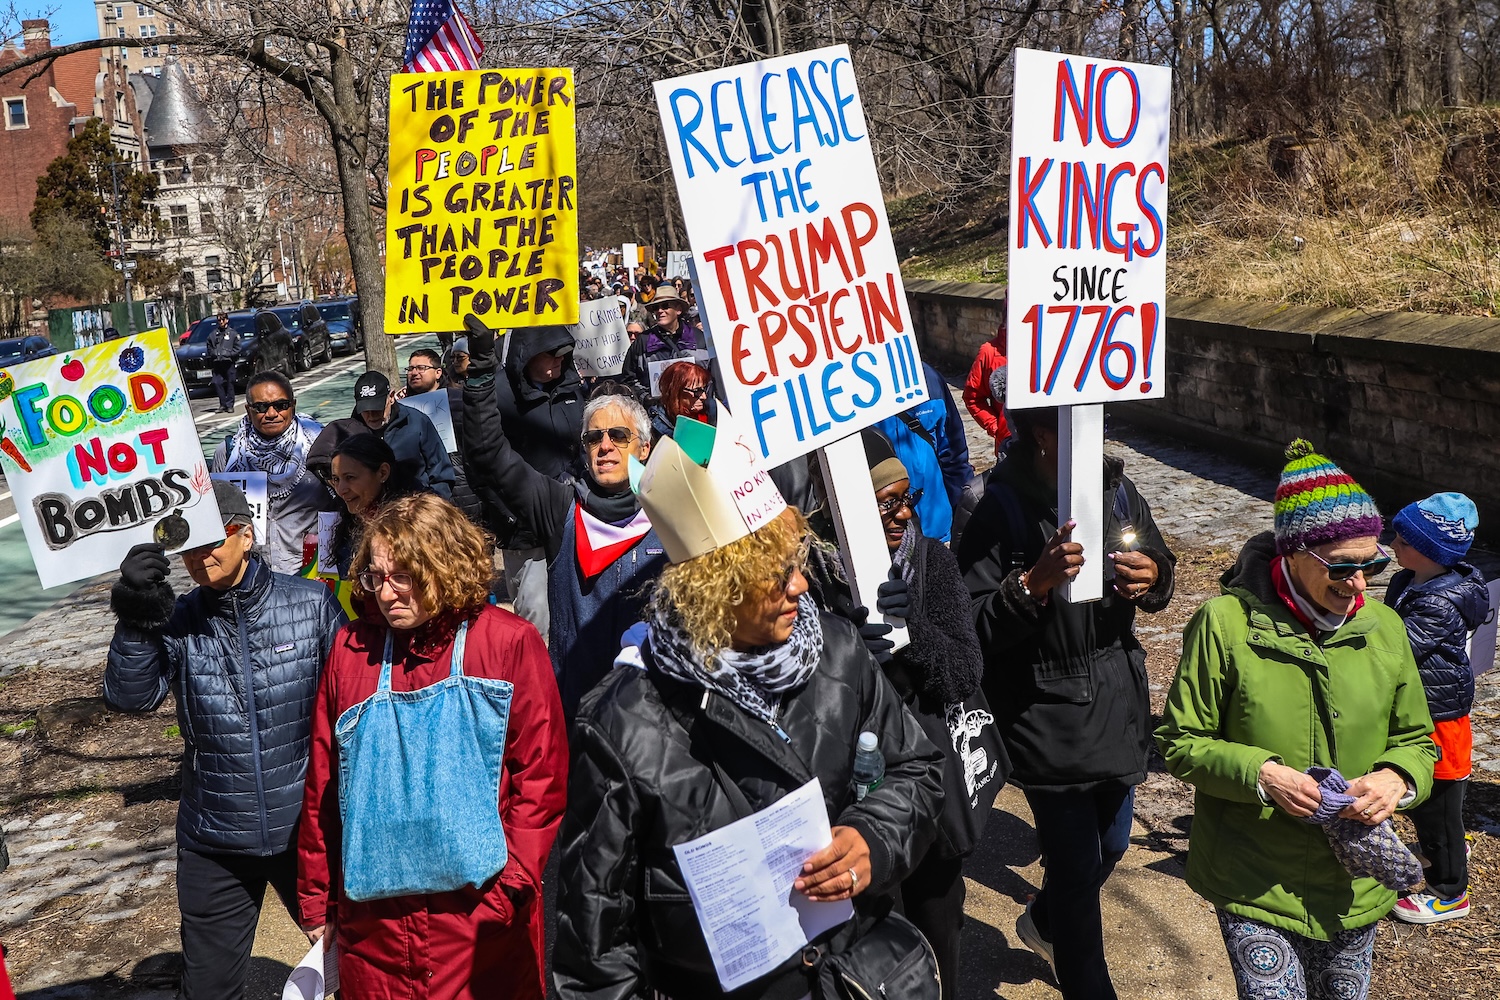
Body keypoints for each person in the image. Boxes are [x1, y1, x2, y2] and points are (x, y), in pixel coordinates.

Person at [554, 422, 945, 999]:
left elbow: (919, 770)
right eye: (775, 572)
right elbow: (595, 952)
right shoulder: (624, 722)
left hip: (855, 978)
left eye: (797, 561)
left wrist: (873, 839)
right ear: (716, 587)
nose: (800, 586)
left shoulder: (837, 650)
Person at [1156, 440, 1438, 1000]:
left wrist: (1397, 779)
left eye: (1373, 564)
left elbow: (1418, 740)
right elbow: (1180, 742)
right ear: (1293, 552)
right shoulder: (1224, 624)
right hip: (1253, 879)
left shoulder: (1384, 628)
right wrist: (1263, 774)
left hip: (1353, 884)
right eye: (1343, 567)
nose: (1360, 584)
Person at [299, 493, 567, 998]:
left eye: (404, 575)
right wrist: (317, 899)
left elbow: (541, 777)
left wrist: (511, 888)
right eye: (377, 576)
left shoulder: (508, 643)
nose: (387, 593)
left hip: (478, 922)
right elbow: (323, 785)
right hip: (374, 927)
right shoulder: (351, 650)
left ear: (444, 566)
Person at [957, 403, 1175, 1000]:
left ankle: (1045, 920)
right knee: (1076, 865)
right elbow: (970, 628)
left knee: (1111, 843)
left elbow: (1161, 562)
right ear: (1043, 434)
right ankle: (1087, 983)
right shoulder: (992, 505)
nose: (1094, 434)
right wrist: (1031, 587)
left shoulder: (1118, 487)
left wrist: (1152, 575)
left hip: (1115, 694)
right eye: (1076, 423)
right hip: (1041, 703)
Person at [103, 481, 346, 1000]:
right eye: (187, 545)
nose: (199, 556)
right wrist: (135, 616)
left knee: (357, 967)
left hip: (309, 830)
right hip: (214, 837)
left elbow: (351, 711)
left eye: (212, 540)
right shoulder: (175, 620)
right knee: (208, 991)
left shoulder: (311, 604)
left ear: (245, 534)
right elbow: (131, 698)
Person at [846, 430, 998, 1000]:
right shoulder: (819, 574)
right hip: (855, 794)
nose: (904, 512)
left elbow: (966, 670)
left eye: (907, 499)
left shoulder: (932, 561)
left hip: (929, 788)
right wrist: (843, 641)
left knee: (938, 930)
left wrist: (913, 635)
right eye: (888, 503)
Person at [461, 317, 667, 716]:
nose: (605, 446)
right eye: (593, 437)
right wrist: (482, 369)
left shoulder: (672, 511)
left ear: (643, 448)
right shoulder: (559, 507)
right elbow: (489, 453)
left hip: (655, 714)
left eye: (618, 436)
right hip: (578, 711)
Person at [1386, 492, 1489, 923]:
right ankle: (1450, 843)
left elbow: (1395, 648)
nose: (1392, 543)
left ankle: (1449, 891)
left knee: (1435, 803)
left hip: (1439, 718)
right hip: (1420, 708)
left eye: (1402, 538)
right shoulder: (1410, 579)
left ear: (1428, 550)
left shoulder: (1437, 602)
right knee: (1434, 807)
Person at [211, 371, 324, 573]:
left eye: (281, 405)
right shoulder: (228, 453)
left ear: (293, 405)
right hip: (252, 575)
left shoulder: (319, 446)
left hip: (310, 573)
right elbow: (217, 514)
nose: (271, 413)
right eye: (261, 407)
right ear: (248, 410)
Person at [872, 362, 973, 545]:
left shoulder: (929, 378)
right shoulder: (848, 387)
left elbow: (954, 455)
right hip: (882, 533)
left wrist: (963, 514)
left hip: (936, 527)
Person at [351, 370, 455, 500]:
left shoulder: (417, 421)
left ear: (391, 397)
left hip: (416, 510)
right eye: (365, 410)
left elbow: (441, 472)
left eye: (377, 408)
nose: (371, 416)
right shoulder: (351, 432)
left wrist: (434, 506)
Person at [326, 435, 407, 578]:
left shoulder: (415, 524)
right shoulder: (345, 523)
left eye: (350, 477)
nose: (341, 490)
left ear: (383, 472)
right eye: (336, 479)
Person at [620, 283, 697, 393]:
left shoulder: (698, 338)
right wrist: (645, 398)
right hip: (656, 408)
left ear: (678, 309)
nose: (660, 311)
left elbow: (711, 377)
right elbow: (628, 379)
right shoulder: (643, 341)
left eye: (665, 306)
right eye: (656, 307)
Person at [963, 302, 1011, 453]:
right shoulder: (989, 352)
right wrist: (997, 428)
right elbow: (973, 397)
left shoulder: (1051, 348)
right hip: (1009, 447)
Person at [648, 360, 713, 441]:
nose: (704, 396)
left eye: (705, 389)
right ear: (676, 391)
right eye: (697, 391)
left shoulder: (712, 417)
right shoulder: (652, 428)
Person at [206, 311, 241, 413]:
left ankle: (230, 405)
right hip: (217, 363)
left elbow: (238, 347)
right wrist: (213, 354)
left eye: (223, 319)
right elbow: (209, 346)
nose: (221, 322)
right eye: (219, 320)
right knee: (217, 383)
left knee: (230, 383)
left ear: (227, 320)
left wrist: (229, 354)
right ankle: (223, 404)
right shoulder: (213, 334)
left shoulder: (233, 334)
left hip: (228, 362)